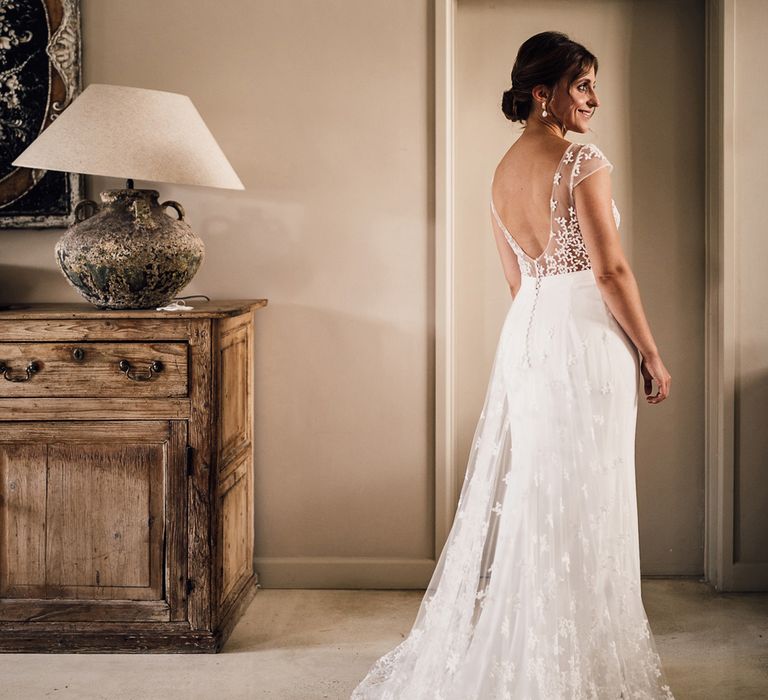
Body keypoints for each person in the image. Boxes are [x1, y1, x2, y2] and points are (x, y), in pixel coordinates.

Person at [351, 30, 674, 699]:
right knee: (588, 491)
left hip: (529, 336)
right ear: (543, 92)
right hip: (584, 336)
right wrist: (649, 350)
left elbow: (516, 284)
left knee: (540, 490)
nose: (594, 98)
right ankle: (576, 662)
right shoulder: (581, 161)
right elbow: (610, 271)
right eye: (582, 84)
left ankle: (538, 652)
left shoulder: (499, 174)